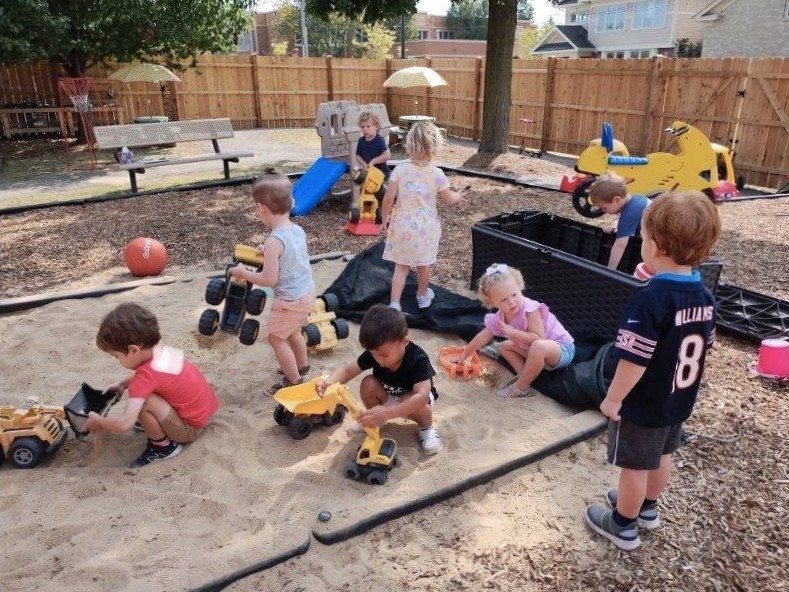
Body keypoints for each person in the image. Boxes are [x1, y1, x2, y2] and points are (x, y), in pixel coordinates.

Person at [585, 190, 721, 551]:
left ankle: (622, 525)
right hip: (678, 398)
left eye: (644, 238)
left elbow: (634, 358)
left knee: (634, 466)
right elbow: (705, 344)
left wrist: (614, 398)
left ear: (656, 245)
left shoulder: (651, 300)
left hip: (644, 404)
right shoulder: (704, 296)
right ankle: (647, 508)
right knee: (662, 455)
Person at [85, 303, 219, 469]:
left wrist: (99, 422)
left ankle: (163, 447)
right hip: (203, 413)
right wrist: (122, 384)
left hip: (190, 429)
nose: (117, 360)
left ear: (133, 350)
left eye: (116, 356)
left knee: (144, 403)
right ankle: (155, 425)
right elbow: (153, 377)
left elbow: (124, 424)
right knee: (148, 393)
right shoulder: (161, 351)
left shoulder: (143, 379)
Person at [229, 167, 316, 394]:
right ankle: (302, 366)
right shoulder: (297, 230)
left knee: (277, 338)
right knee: (294, 331)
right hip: (306, 295)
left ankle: (294, 381)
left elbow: (269, 279)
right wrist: (266, 251)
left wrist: (243, 274)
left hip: (288, 301)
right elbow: (291, 257)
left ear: (261, 209)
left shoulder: (274, 242)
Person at [318, 304, 443, 455]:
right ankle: (377, 421)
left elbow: (422, 397)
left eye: (384, 355)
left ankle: (427, 429)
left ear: (404, 342)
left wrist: (387, 413)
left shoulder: (417, 359)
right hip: (388, 397)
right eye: (373, 354)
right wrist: (328, 383)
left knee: (415, 398)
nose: (378, 360)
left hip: (414, 401)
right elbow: (347, 371)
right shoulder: (377, 352)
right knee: (368, 383)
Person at [452, 264, 575, 399]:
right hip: (535, 352)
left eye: (514, 295)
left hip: (560, 350)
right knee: (504, 347)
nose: (512, 302)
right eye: (504, 299)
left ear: (520, 287)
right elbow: (483, 336)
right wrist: (465, 353)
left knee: (538, 346)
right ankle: (524, 377)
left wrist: (511, 332)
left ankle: (521, 388)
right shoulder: (500, 317)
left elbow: (538, 338)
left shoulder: (530, 309)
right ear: (492, 302)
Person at [380, 121, 465, 311]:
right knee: (423, 264)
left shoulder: (401, 170)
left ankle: (394, 303)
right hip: (426, 229)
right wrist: (458, 195)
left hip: (402, 225)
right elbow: (449, 199)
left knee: (401, 266)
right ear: (434, 147)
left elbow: (388, 198)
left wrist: (384, 218)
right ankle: (422, 296)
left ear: (408, 145)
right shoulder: (437, 174)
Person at [588, 172, 649, 271]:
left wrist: (610, 271)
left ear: (617, 200)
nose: (603, 211)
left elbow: (620, 245)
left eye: (604, 207)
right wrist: (618, 227)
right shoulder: (636, 199)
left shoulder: (629, 213)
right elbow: (631, 221)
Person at [355, 111, 391, 179]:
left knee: (381, 189)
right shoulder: (361, 141)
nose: (365, 129)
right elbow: (358, 155)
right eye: (362, 127)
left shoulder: (380, 140)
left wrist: (373, 161)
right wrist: (364, 164)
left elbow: (387, 155)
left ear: (376, 127)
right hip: (369, 174)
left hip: (382, 174)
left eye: (368, 126)